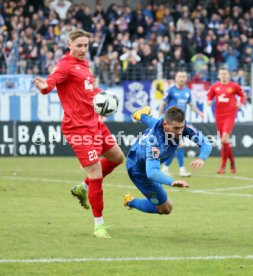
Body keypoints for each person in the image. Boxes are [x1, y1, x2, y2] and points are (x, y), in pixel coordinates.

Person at [34, 29, 124, 239]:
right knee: (96, 176)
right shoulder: (65, 65)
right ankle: (99, 225)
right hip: (78, 128)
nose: (83, 49)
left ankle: (83, 187)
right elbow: (51, 82)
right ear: (69, 45)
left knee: (118, 157)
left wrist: (102, 95)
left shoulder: (84, 65)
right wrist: (44, 85)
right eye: (79, 46)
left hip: (95, 123)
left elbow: (88, 90)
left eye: (86, 45)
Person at [124, 106, 212, 215]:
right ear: (165, 124)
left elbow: (206, 143)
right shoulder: (154, 142)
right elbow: (152, 172)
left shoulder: (179, 125)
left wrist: (201, 158)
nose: (180, 132)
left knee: (166, 207)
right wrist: (171, 182)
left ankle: (140, 115)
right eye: (176, 128)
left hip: (149, 161)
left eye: (181, 127)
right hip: (138, 169)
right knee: (165, 208)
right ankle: (130, 201)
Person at [158, 71, 204, 177]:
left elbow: (191, 105)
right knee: (179, 145)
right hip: (170, 122)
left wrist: (199, 113)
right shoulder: (171, 90)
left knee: (175, 146)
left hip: (180, 123)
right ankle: (181, 169)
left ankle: (165, 168)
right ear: (176, 78)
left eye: (184, 76)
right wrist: (159, 119)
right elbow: (163, 104)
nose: (182, 78)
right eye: (180, 76)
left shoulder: (187, 91)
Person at [207, 67, 245, 174]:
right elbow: (209, 96)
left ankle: (223, 166)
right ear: (219, 75)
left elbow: (242, 95)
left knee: (224, 139)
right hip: (219, 116)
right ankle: (232, 162)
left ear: (228, 75)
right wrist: (209, 101)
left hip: (230, 115)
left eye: (225, 74)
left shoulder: (234, 86)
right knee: (224, 142)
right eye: (221, 74)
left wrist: (241, 102)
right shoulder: (215, 86)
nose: (223, 76)